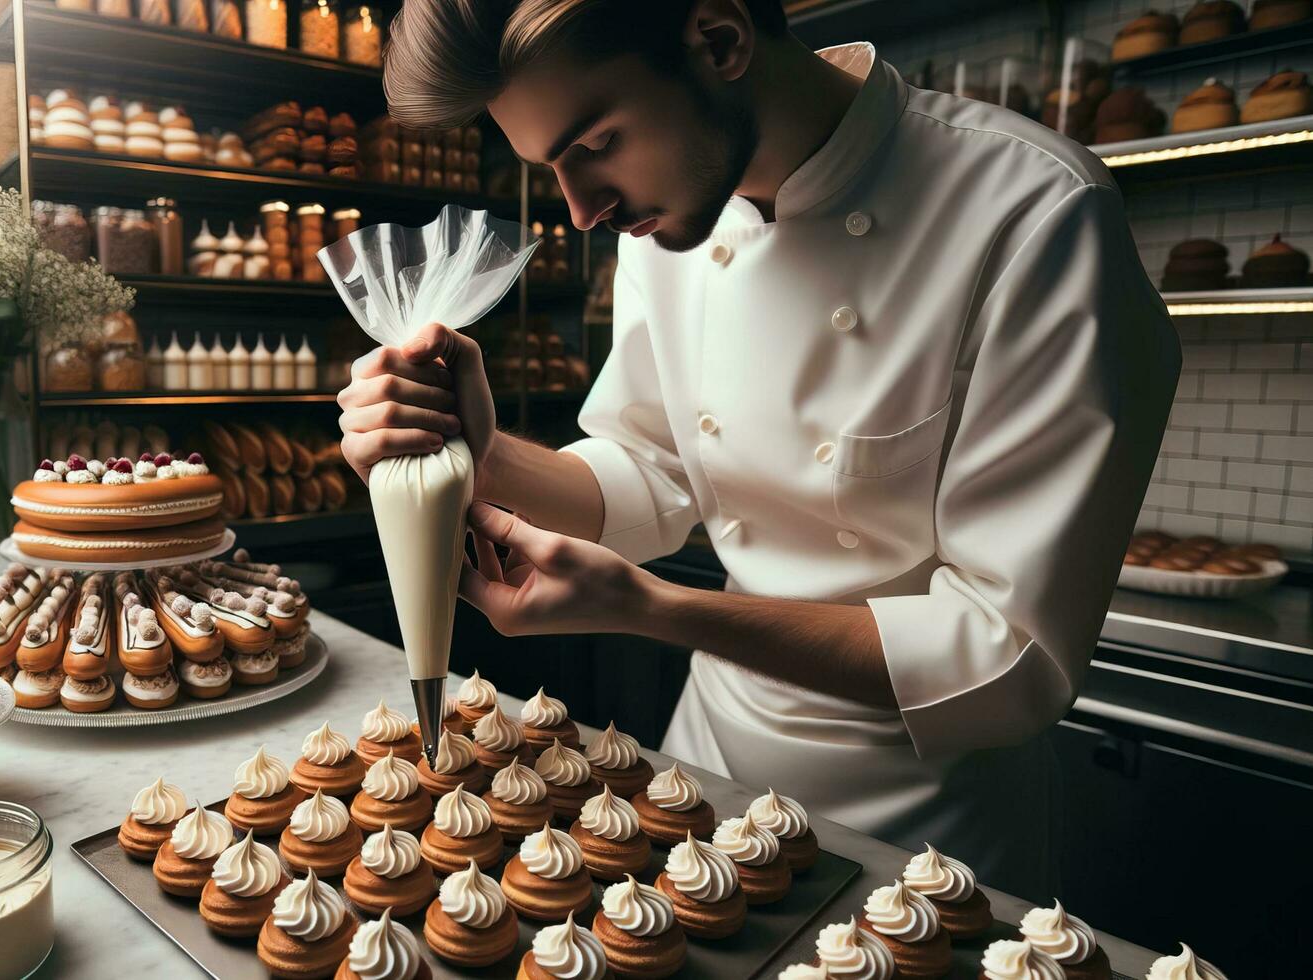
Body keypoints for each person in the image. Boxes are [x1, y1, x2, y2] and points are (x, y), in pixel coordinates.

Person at [338, 0, 1179, 895]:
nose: (582, 210)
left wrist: (659, 611)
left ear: (719, 39)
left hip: (927, 821)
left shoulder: (1033, 213)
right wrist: (481, 451)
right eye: (553, 167)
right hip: (706, 778)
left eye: (595, 145)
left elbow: (1009, 657)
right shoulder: (675, 219)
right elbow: (650, 472)